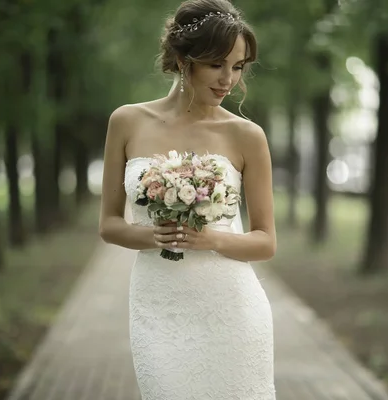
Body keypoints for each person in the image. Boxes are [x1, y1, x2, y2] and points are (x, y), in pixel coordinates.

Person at [98, 0, 277, 398]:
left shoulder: (247, 136)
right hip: (158, 307)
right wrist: (155, 236)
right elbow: (109, 225)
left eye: (238, 66)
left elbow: (265, 241)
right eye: (217, 64)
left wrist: (211, 239)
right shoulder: (126, 121)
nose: (228, 79)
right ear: (183, 59)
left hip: (232, 310)